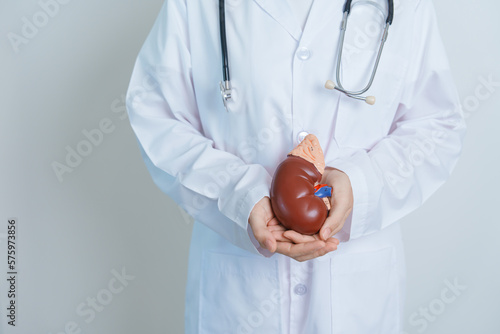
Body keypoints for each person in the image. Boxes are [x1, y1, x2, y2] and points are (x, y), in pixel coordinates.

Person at [126, 0, 465, 332]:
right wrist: (239, 194)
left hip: (357, 291)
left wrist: (360, 185)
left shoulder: (407, 5)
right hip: (239, 296)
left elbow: (436, 125)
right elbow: (155, 115)